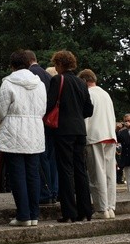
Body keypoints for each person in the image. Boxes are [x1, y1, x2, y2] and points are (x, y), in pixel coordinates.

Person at [0, 50, 46, 226]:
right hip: (35, 132)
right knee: (33, 174)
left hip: (14, 131)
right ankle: (34, 215)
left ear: (12, 65)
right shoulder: (39, 84)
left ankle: (23, 215)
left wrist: (4, 120)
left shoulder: (8, 83)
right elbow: (42, 109)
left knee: (17, 175)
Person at [48, 50, 94, 223]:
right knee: (80, 169)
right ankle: (86, 210)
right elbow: (89, 110)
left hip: (63, 130)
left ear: (59, 64)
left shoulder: (57, 80)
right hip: (80, 130)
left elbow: (50, 104)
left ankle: (69, 212)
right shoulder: (82, 83)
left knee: (65, 170)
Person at [78, 69, 116, 219]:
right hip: (109, 135)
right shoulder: (105, 94)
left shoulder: (89, 94)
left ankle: (101, 209)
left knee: (96, 174)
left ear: (84, 81)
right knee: (109, 174)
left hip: (95, 136)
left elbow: (86, 117)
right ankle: (110, 207)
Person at [24, 50, 57, 206]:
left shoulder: (30, 75)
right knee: (51, 158)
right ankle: (53, 190)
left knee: (40, 158)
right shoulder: (47, 74)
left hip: (38, 121)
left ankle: (44, 192)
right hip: (51, 122)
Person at [117, 113, 130, 192]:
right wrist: (117, 130)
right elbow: (116, 139)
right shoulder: (123, 132)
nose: (128, 122)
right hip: (127, 159)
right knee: (129, 181)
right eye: (126, 121)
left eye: (129, 120)